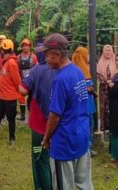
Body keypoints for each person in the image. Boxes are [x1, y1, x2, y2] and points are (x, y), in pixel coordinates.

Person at [39, 33, 93, 190]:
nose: (45, 59)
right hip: (81, 138)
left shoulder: (60, 79)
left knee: (64, 186)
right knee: (85, 184)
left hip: (64, 143)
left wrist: (47, 139)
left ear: (56, 54)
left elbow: (54, 116)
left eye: (47, 55)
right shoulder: (78, 72)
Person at [19, 61, 57, 190]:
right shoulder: (64, 68)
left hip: (39, 124)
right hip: (58, 124)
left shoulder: (36, 70)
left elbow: (22, 89)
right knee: (55, 159)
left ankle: (43, 186)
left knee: (40, 159)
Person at [72, 46, 97, 156]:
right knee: (88, 126)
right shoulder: (83, 69)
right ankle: (88, 149)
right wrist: (94, 92)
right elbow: (88, 88)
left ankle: (81, 148)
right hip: (87, 104)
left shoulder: (72, 69)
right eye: (86, 54)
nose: (87, 57)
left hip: (77, 105)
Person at [97, 45, 117, 131]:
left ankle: (112, 126)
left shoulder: (115, 62)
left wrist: (112, 82)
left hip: (114, 88)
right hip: (103, 89)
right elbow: (98, 74)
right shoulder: (100, 62)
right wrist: (105, 81)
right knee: (103, 107)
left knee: (113, 107)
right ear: (103, 52)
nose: (108, 52)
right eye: (106, 50)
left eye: (109, 50)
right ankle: (104, 127)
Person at [17, 38, 38, 121]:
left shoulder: (33, 57)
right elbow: (16, 69)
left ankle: (32, 116)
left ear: (30, 47)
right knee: (21, 97)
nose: (25, 47)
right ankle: (22, 115)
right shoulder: (18, 57)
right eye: (23, 46)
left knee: (32, 98)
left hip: (32, 80)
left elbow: (37, 69)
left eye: (26, 46)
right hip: (22, 80)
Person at [107, 55, 118, 167]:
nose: (117, 62)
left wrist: (112, 86)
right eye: (116, 60)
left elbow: (113, 91)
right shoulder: (116, 75)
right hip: (115, 107)